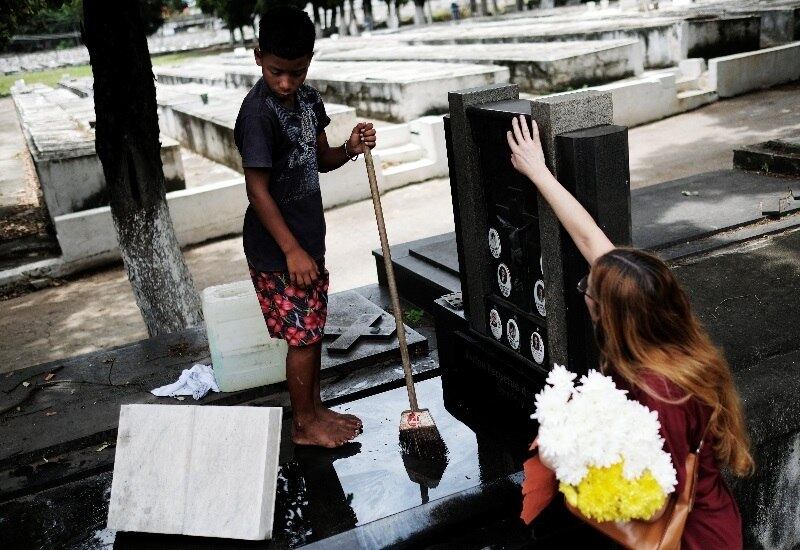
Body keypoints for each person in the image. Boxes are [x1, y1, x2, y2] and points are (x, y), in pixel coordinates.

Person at [506, 115, 753, 548]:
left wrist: (570, 453)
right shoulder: (667, 333)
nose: (585, 285)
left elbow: (650, 502)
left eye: (589, 288)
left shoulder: (660, 394)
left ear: (607, 314)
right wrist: (537, 171)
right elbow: (590, 240)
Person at [234, 6, 376, 448]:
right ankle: (304, 425)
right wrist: (292, 250)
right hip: (279, 250)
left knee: (311, 333)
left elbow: (320, 159)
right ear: (258, 57)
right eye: (277, 71)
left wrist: (350, 148)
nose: (285, 83)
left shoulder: (311, 101)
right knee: (303, 337)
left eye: (296, 72)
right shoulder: (257, 114)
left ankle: (314, 411)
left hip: (307, 242)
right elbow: (257, 191)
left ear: (309, 62)